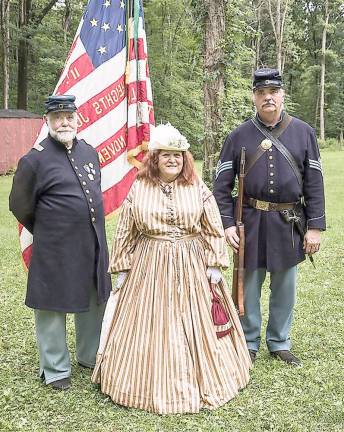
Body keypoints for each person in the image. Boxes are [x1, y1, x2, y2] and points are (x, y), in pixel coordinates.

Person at [92, 123, 251, 414]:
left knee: (195, 321)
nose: (173, 160)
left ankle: (207, 378)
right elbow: (126, 229)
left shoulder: (197, 187)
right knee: (151, 323)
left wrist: (215, 261)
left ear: (185, 159)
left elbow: (213, 225)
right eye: (166, 155)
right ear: (155, 158)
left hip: (192, 262)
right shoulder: (140, 187)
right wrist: (123, 267)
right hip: (149, 263)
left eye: (178, 155)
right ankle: (143, 384)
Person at [214, 68, 326, 367]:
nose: (268, 98)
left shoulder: (304, 132)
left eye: (273, 92)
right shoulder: (238, 135)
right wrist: (227, 224)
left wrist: (314, 226)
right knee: (248, 285)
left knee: (285, 287)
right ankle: (249, 342)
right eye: (262, 93)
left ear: (282, 95)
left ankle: (279, 341)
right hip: (249, 221)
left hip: (289, 223)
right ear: (254, 97)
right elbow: (221, 186)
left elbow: (314, 181)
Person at [9, 95, 112, 390]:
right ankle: (55, 369)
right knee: (52, 306)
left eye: (69, 116)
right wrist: (51, 229)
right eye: (58, 117)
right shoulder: (34, 159)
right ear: (47, 121)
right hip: (54, 248)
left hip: (92, 244)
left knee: (94, 300)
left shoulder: (89, 153)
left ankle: (89, 355)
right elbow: (19, 204)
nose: (64, 121)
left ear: (77, 118)